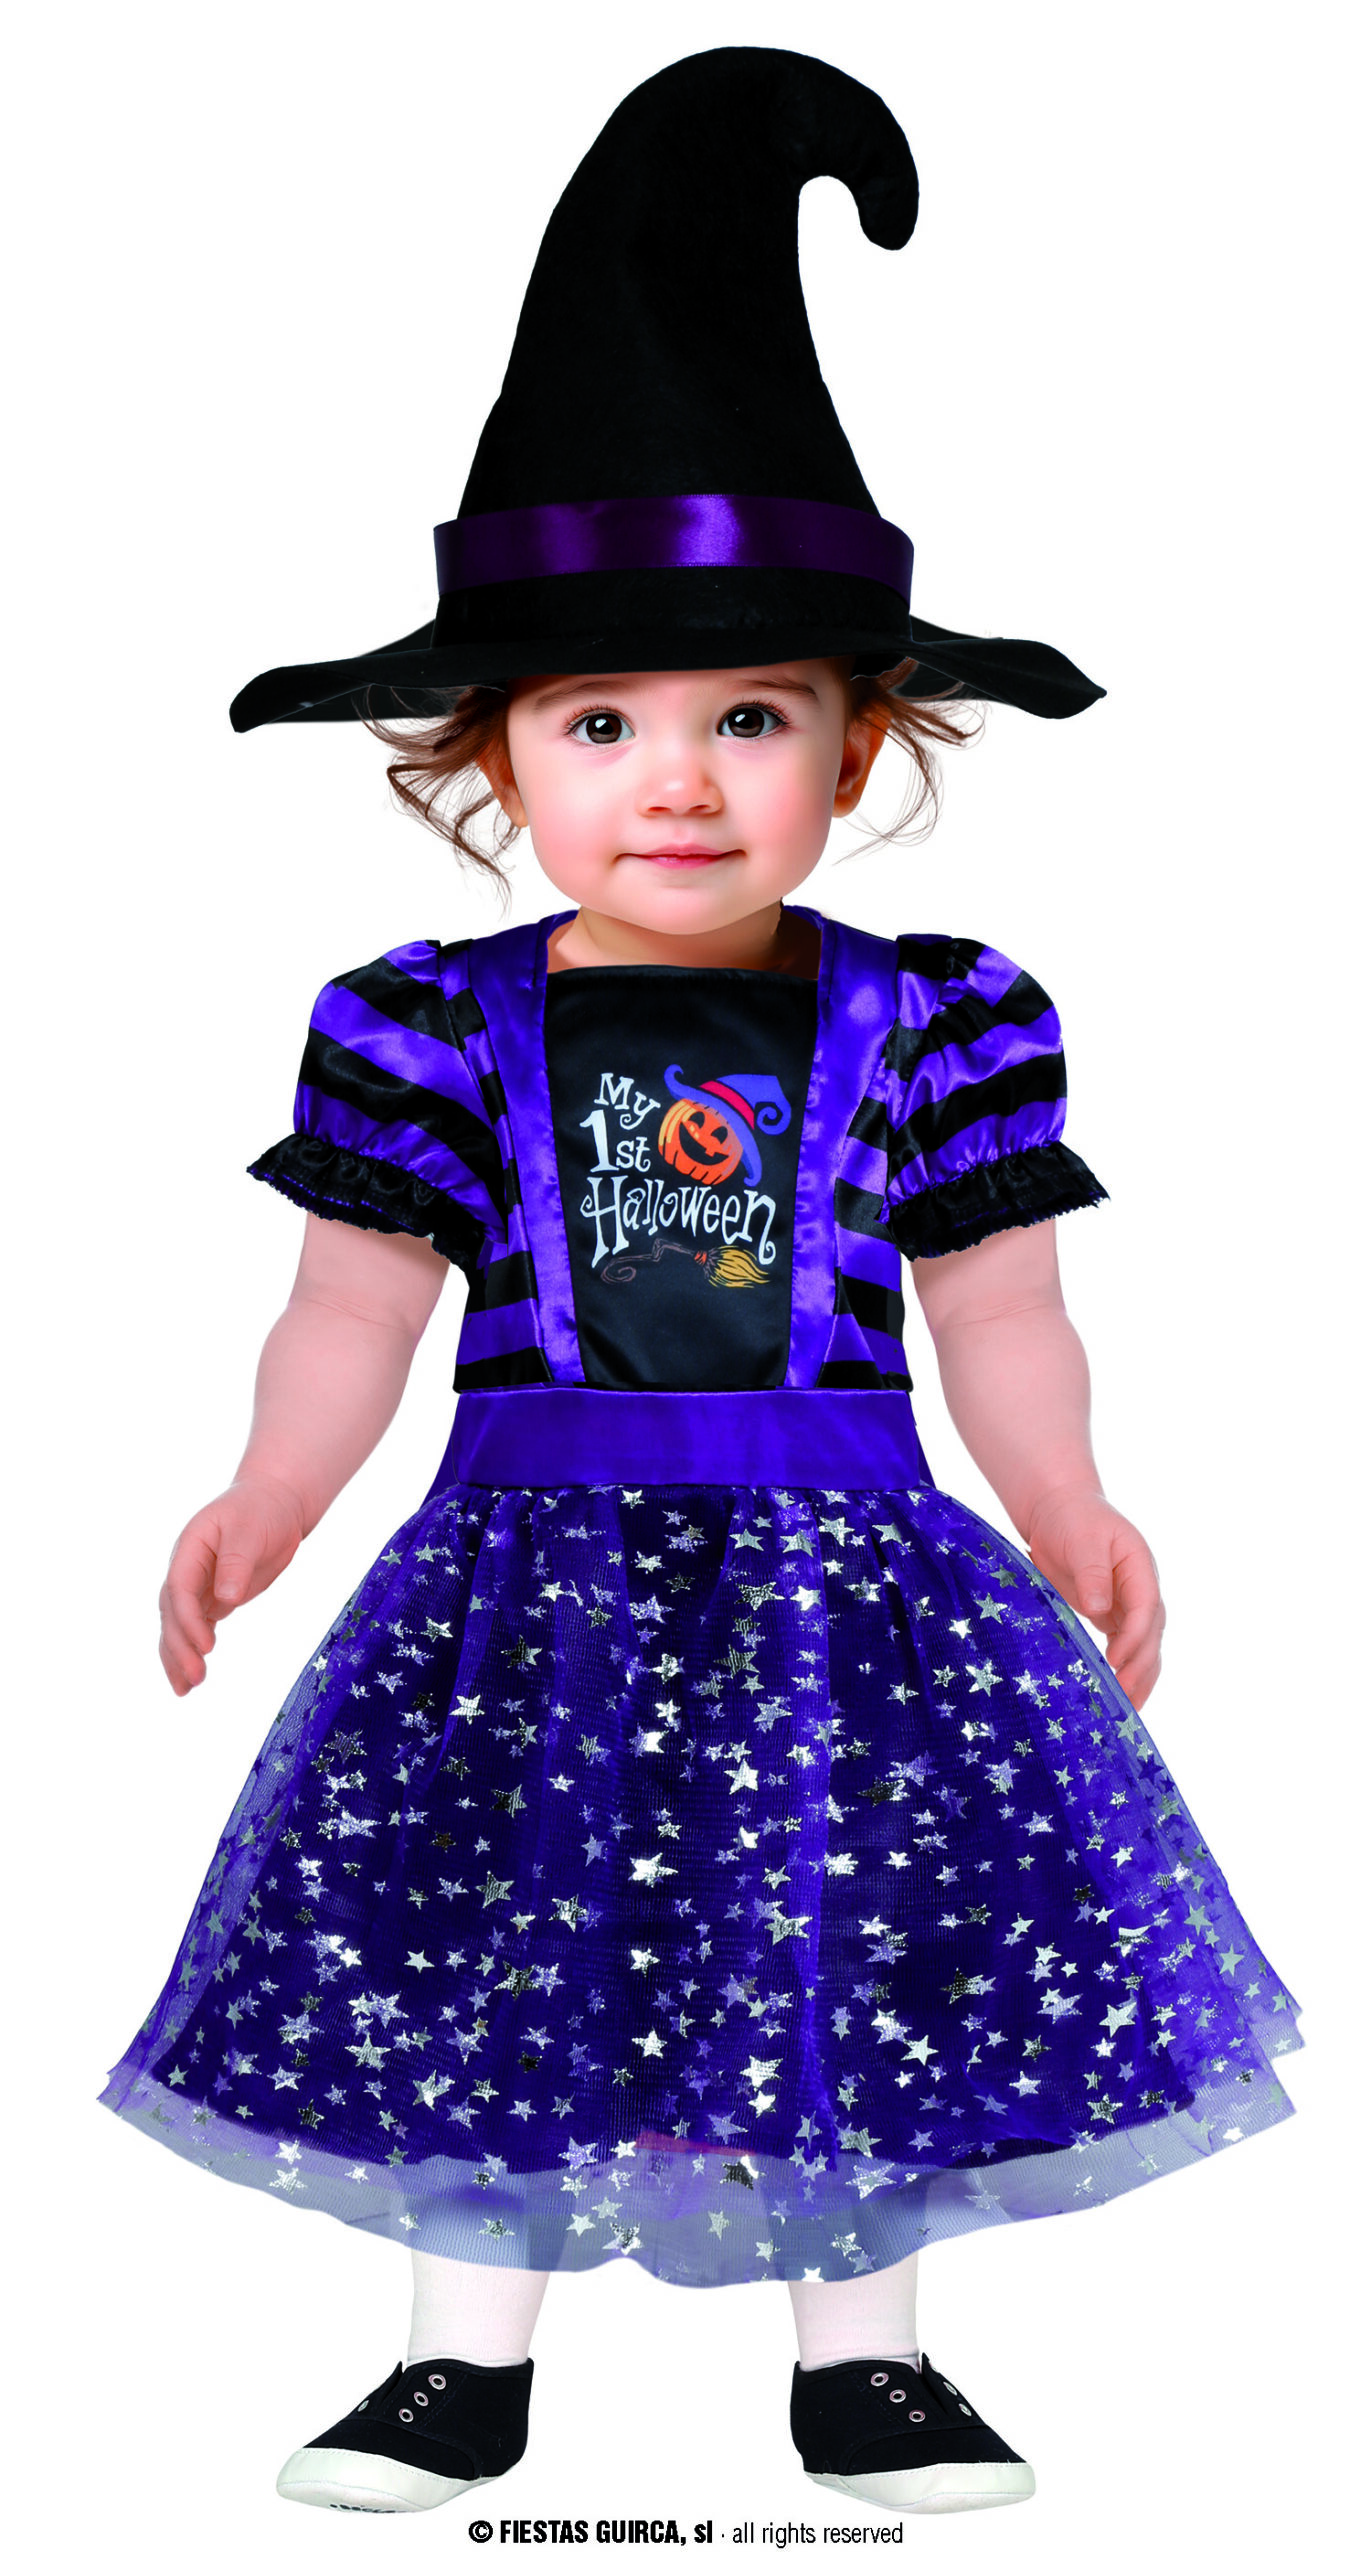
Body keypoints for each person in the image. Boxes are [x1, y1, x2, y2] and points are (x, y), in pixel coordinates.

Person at [96, 47, 1303, 2519]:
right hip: (520, 1577)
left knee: (849, 1932)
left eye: (752, 714)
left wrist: (1067, 1498)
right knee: (487, 1938)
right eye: (601, 718)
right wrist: (270, 1487)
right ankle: (460, 2354)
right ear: (490, 755)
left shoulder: (938, 1015)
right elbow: (353, 1301)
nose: (678, 775)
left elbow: (995, 1302)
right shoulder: (425, 1024)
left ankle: (865, 2355)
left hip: (847, 1572)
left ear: (856, 750)